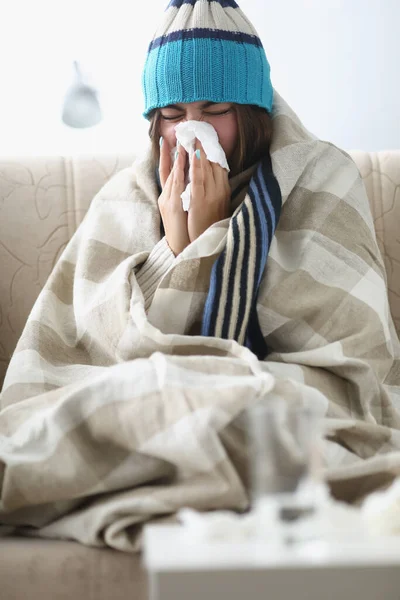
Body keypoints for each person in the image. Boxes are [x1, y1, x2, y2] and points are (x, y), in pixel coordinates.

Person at [0, 0, 400, 552]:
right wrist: (176, 247)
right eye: (172, 114)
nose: (192, 131)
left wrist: (212, 238)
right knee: (151, 400)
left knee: (222, 410)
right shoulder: (123, 198)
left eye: (214, 109)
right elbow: (89, 349)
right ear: (153, 120)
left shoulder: (321, 177)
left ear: (253, 112)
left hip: (281, 401)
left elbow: (351, 367)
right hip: (151, 397)